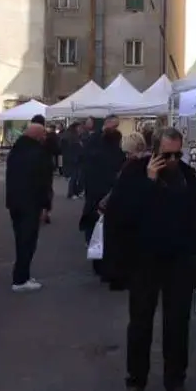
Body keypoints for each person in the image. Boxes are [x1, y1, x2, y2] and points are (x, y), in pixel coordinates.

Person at [105, 127, 196, 391]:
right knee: (141, 322)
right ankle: (136, 381)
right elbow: (122, 214)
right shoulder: (134, 173)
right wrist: (149, 182)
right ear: (155, 151)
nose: (172, 160)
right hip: (144, 260)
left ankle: (176, 380)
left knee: (178, 323)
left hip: (178, 260)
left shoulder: (186, 176)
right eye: (167, 154)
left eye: (177, 154)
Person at [100, 131, 150, 291]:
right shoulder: (146, 164)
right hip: (129, 213)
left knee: (120, 247)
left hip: (124, 214)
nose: (126, 155)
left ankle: (119, 277)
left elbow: (121, 189)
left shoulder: (134, 165)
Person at [5, 123, 51, 292]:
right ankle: (20, 279)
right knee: (28, 241)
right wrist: (45, 206)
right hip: (31, 202)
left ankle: (23, 275)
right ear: (37, 136)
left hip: (15, 202)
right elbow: (42, 182)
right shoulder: (38, 154)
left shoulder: (16, 151)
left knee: (21, 239)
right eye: (43, 134)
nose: (45, 137)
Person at [80, 115, 125, 275]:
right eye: (114, 125)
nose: (116, 128)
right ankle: (96, 253)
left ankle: (100, 259)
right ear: (107, 124)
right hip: (98, 188)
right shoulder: (96, 141)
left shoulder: (110, 142)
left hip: (103, 188)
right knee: (96, 220)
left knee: (102, 224)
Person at [60, 122, 83, 199]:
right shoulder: (73, 136)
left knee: (75, 177)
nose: (80, 129)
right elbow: (76, 148)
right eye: (79, 127)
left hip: (70, 158)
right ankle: (71, 193)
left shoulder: (67, 134)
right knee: (74, 177)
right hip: (74, 159)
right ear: (76, 127)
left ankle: (74, 192)